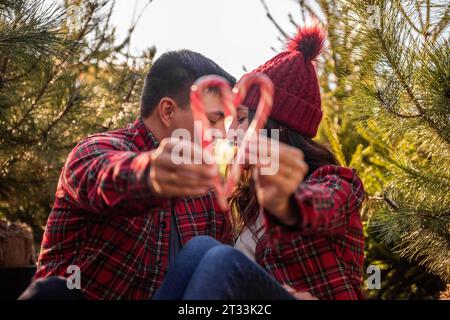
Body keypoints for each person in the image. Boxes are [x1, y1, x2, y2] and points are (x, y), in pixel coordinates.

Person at [28, 50, 237, 300]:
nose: (222, 135)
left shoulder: (209, 194)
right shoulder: (95, 150)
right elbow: (104, 177)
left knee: (208, 253)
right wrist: (150, 174)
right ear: (168, 111)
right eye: (214, 120)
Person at [231, 23, 366, 300]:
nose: (231, 131)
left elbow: (322, 206)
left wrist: (287, 202)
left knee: (219, 259)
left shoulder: (337, 183)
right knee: (199, 253)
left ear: (274, 126)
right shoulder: (248, 200)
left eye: (241, 118)